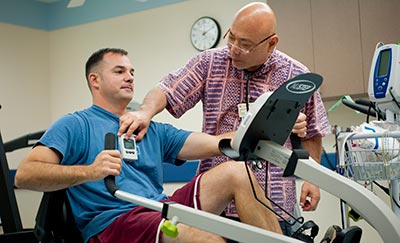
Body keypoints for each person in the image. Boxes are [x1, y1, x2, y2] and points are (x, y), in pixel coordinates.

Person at [14, 48, 288, 243]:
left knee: (236, 172)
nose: (130, 77)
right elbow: (26, 174)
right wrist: (90, 171)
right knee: (203, 238)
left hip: (159, 208)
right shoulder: (76, 124)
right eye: (119, 71)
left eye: (132, 72)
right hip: (115, 221)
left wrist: (258, 131)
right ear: (94, 80)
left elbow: (216, 143)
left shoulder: (147, 127)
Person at [118, 2, 330, 236]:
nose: (234, 48)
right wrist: (144, 112)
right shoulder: (210, 63)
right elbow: (167, 89)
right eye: (232, 37)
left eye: (245, 44)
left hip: (274, 205)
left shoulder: (295, 75)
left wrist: (313, 179)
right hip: (219, 208)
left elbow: (312, 131)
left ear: (271, 43)